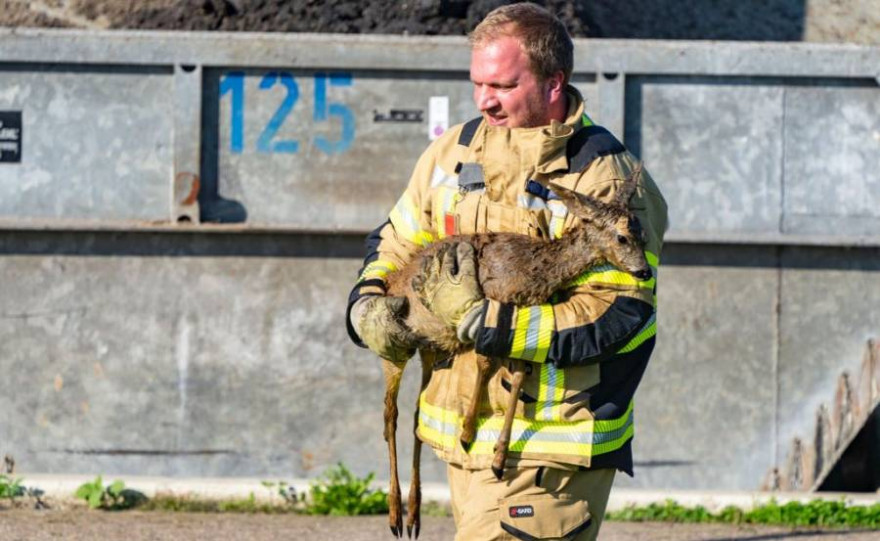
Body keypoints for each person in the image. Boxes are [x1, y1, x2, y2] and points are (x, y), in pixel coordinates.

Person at [347, 3, 668, 540]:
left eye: (501, 85)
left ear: (552, 83)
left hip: (552, 448)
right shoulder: (454, 151)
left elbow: (619, 313)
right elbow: (398, 238)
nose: (483, 99)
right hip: (465, 444)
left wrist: (490, 321)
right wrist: (369, 302)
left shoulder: (607, 179)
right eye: (477, 83)